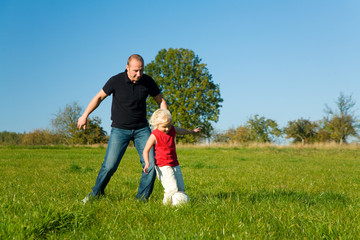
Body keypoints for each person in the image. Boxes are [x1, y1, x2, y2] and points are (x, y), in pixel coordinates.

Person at [78, 54, 167, 204]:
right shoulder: (116, 80)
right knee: (110, 166)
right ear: (127, 68)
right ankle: (95, 194)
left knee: (150, 164)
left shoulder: (147, 81)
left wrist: (164, 120)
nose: (139, 74)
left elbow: (161, 100)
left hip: (142, 130)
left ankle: (141, 200)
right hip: (120, 130)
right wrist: (85, 115)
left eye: (141, 70)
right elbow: (99, 97)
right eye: (135, 70)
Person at [143, 109, 200, 204]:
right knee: (172, 188)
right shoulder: (155, 135)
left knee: (181, 188)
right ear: (156, 125)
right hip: (163, 166)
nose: (167, 129)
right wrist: (147, 162)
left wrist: (192, 131)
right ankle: (166, 206)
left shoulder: (172, 129)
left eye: (169, 126)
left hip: (174, 164)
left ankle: (181, 204)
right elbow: (146, 150)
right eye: (164, 127)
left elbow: (182, 131)